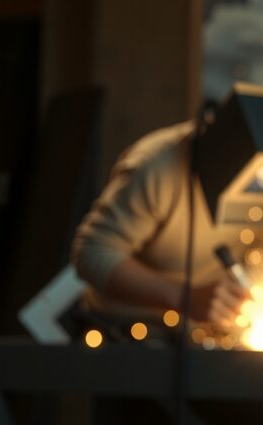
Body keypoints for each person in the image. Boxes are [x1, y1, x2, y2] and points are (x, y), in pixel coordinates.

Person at [71, 120, 247, 328]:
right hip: (126, 334)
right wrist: (184, 296)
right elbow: (92, 253)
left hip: (205, 335)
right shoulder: (159, 166)